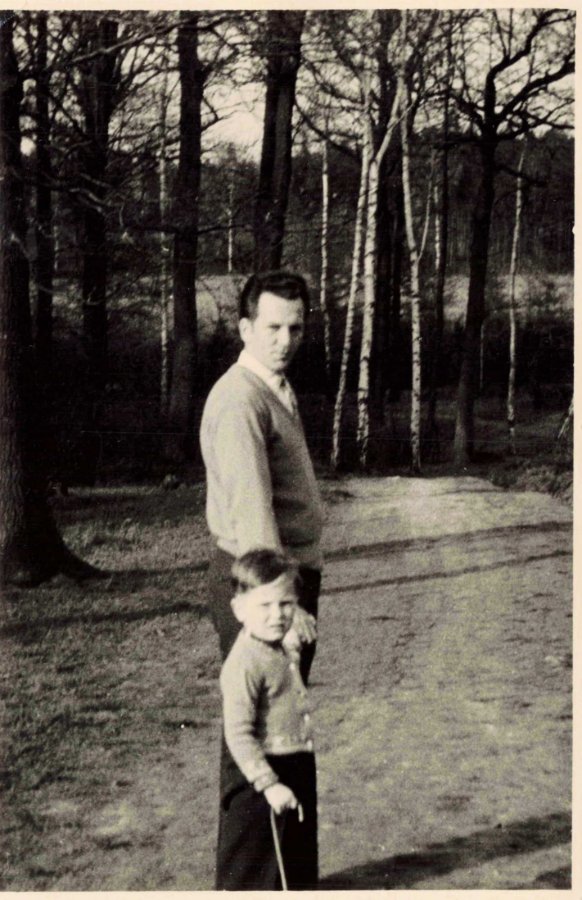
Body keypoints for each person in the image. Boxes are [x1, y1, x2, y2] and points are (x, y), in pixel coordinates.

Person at [200, 269, 325, 684]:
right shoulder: (241, 400)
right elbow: (252, 510)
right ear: (245, 329)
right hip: (259, 582)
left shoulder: (273, 386)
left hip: (282, 577)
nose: (285, 341)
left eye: (295, 328)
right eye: (273, 328)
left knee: (285, 713)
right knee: (261, 715)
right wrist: (278, 602)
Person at [216, 549, 318, 890]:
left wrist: (291, 641)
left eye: (286, 604)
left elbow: (285, 656)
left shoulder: (277, 645)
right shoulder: (244, 662)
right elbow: (238, 733)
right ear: (238, 610)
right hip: (260, 778)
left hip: (294, 763)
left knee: (295, 856)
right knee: (256, 866)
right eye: (264, 606)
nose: (277, 615)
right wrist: (269, 785)